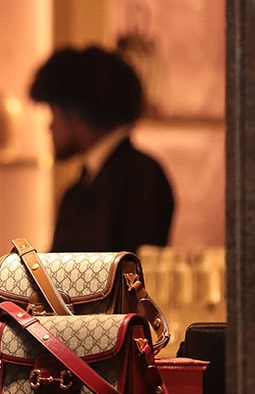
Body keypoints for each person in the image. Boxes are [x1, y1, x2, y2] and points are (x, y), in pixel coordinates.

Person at [29, 45, 176, 253]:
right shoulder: (81, 187)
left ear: (76, 113)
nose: (49, 127)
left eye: (53, 112)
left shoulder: (141, 176)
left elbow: (135, 270)